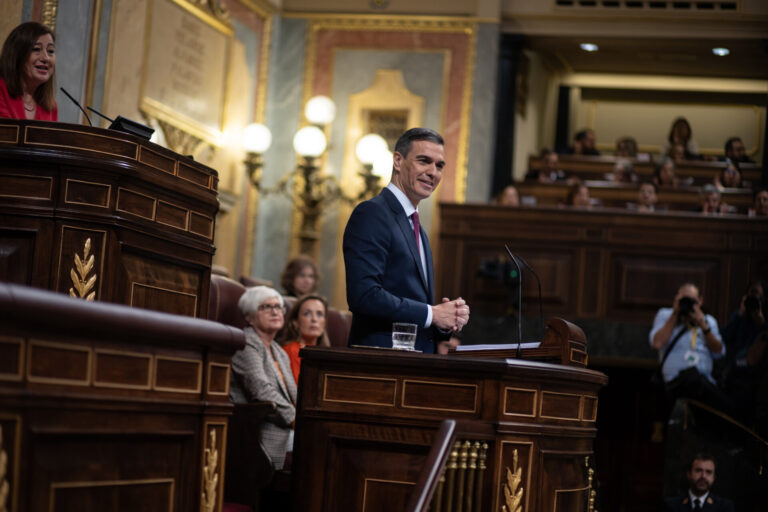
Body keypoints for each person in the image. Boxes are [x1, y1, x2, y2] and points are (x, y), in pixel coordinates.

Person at [343, 127, 470, 354]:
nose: (433, 172)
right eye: (424, 161)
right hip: (378, 362)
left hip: (412, 364)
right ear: (398, 161)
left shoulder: (418, 229)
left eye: (439, 165)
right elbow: (364, 295)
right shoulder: (372, 213)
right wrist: (432, 314)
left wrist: (446, 319)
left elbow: (414, 307)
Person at [229, 286, 296, 470]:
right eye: (266, 307)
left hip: (286, 428)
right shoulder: (246, 343)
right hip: (259, 430)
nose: (275, 311)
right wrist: (296, 419)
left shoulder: (279, 351)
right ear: (249, 316)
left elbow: (294, 395)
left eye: (278, 306)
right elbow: (260, 391)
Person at [650, 283, 727, 410]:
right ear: (676, 299)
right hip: (674, 384)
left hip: (703, 385)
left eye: (691, 300)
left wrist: (702, 324)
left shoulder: (708, 321)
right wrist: (675, 314)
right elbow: (657, 343)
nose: (686, 304)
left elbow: (719, 352)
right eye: (683, 300)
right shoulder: (665, 315)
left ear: (700, 301)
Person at [720, 281, 767, 421]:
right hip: (734, 377)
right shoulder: (740, 317)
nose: (754, 299)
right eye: (751, 294)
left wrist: (761, 324)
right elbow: (723, 337)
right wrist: (739, 314)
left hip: (754, 381)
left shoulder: (763, 320)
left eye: (758, 295)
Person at [0, 22, 57, 121]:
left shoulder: (51, 107)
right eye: (36, 49)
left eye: (50, 51)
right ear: (17, 55)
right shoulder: (1, 91)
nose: (46, 58)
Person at [281, 294, 330, 386]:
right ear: (295, 322)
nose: (314, 319)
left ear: (324, 322)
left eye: (319, 314)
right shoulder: (292, 350)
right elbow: (298, 391)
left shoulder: (326, 354)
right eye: (307, 314)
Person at [663, 453, 734, 512]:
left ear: (714, 477)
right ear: (689, 474)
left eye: (708, 472)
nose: (703, 476)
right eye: (698, 470)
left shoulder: (724, 507)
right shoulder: (671, 504)